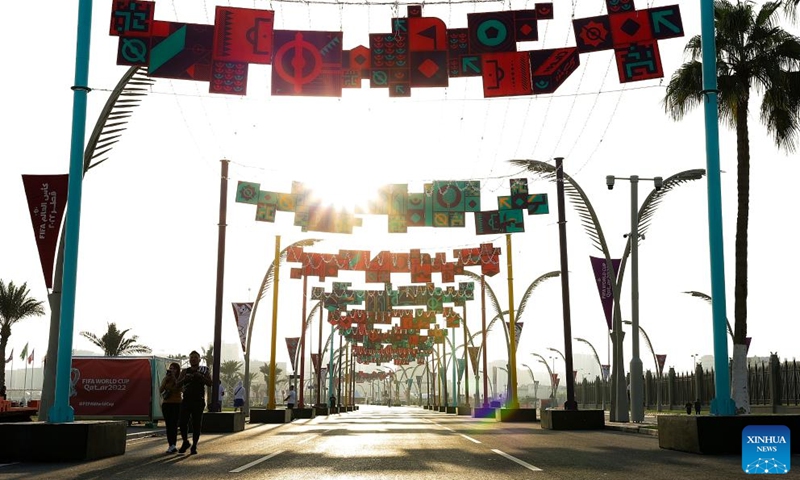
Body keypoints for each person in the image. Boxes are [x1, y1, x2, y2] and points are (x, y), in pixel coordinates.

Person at [177, 351, 212, 455]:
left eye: (195, 357)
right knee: (182, 423)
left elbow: (210, 383)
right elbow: (177, 384)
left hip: (198, 400)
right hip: (186, 400)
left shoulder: (204, 370)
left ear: (199, 359)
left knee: (196, 424)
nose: (193, 359)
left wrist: (200, 377)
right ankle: (185, 441)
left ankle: (194, 445)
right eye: (191, 357)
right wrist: (184, 379)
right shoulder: (185, 371)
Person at [159, 362, 182, 454]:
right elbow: (160, 390)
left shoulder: (179, 378)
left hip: (176, 404)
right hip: (167, 404)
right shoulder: (166, 379)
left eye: (174, 369)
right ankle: (170, 444)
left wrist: (174, 378)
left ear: (177, 370)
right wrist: (166, 380)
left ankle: (174, 444)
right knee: (169, 425)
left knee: (174, 424)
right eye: (171, 368)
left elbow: (181, 388)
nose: (172, 370)